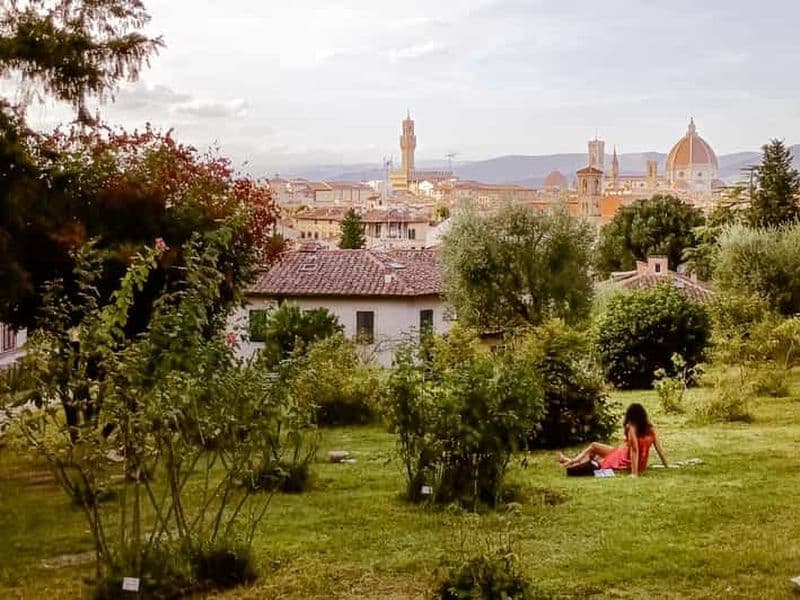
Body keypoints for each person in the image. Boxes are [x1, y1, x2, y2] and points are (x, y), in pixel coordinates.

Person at [556, 403, 668, 477]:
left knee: (596, 453)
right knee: (595, 449)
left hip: (626, 459)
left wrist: (634, 473)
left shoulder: (632, 428)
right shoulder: (650, 428)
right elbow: (659, 449)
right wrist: (666, 465)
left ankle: (571, 462)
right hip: (629, 457)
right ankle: (570, 461)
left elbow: (634, 450)